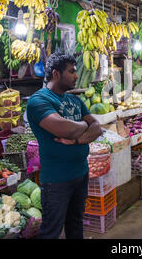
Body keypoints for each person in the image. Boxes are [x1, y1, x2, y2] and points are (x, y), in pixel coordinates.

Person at [26, 52, 102, 239]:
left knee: (76, 225)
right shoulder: (39, 100)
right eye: (72, 71)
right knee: (51, 231)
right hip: (56, 180)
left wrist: (78, 139)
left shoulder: (75, 100)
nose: (76, 76)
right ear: (56, 73)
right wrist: (84, 126)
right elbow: (64, 128)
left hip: (81, 173)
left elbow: (98, 128)